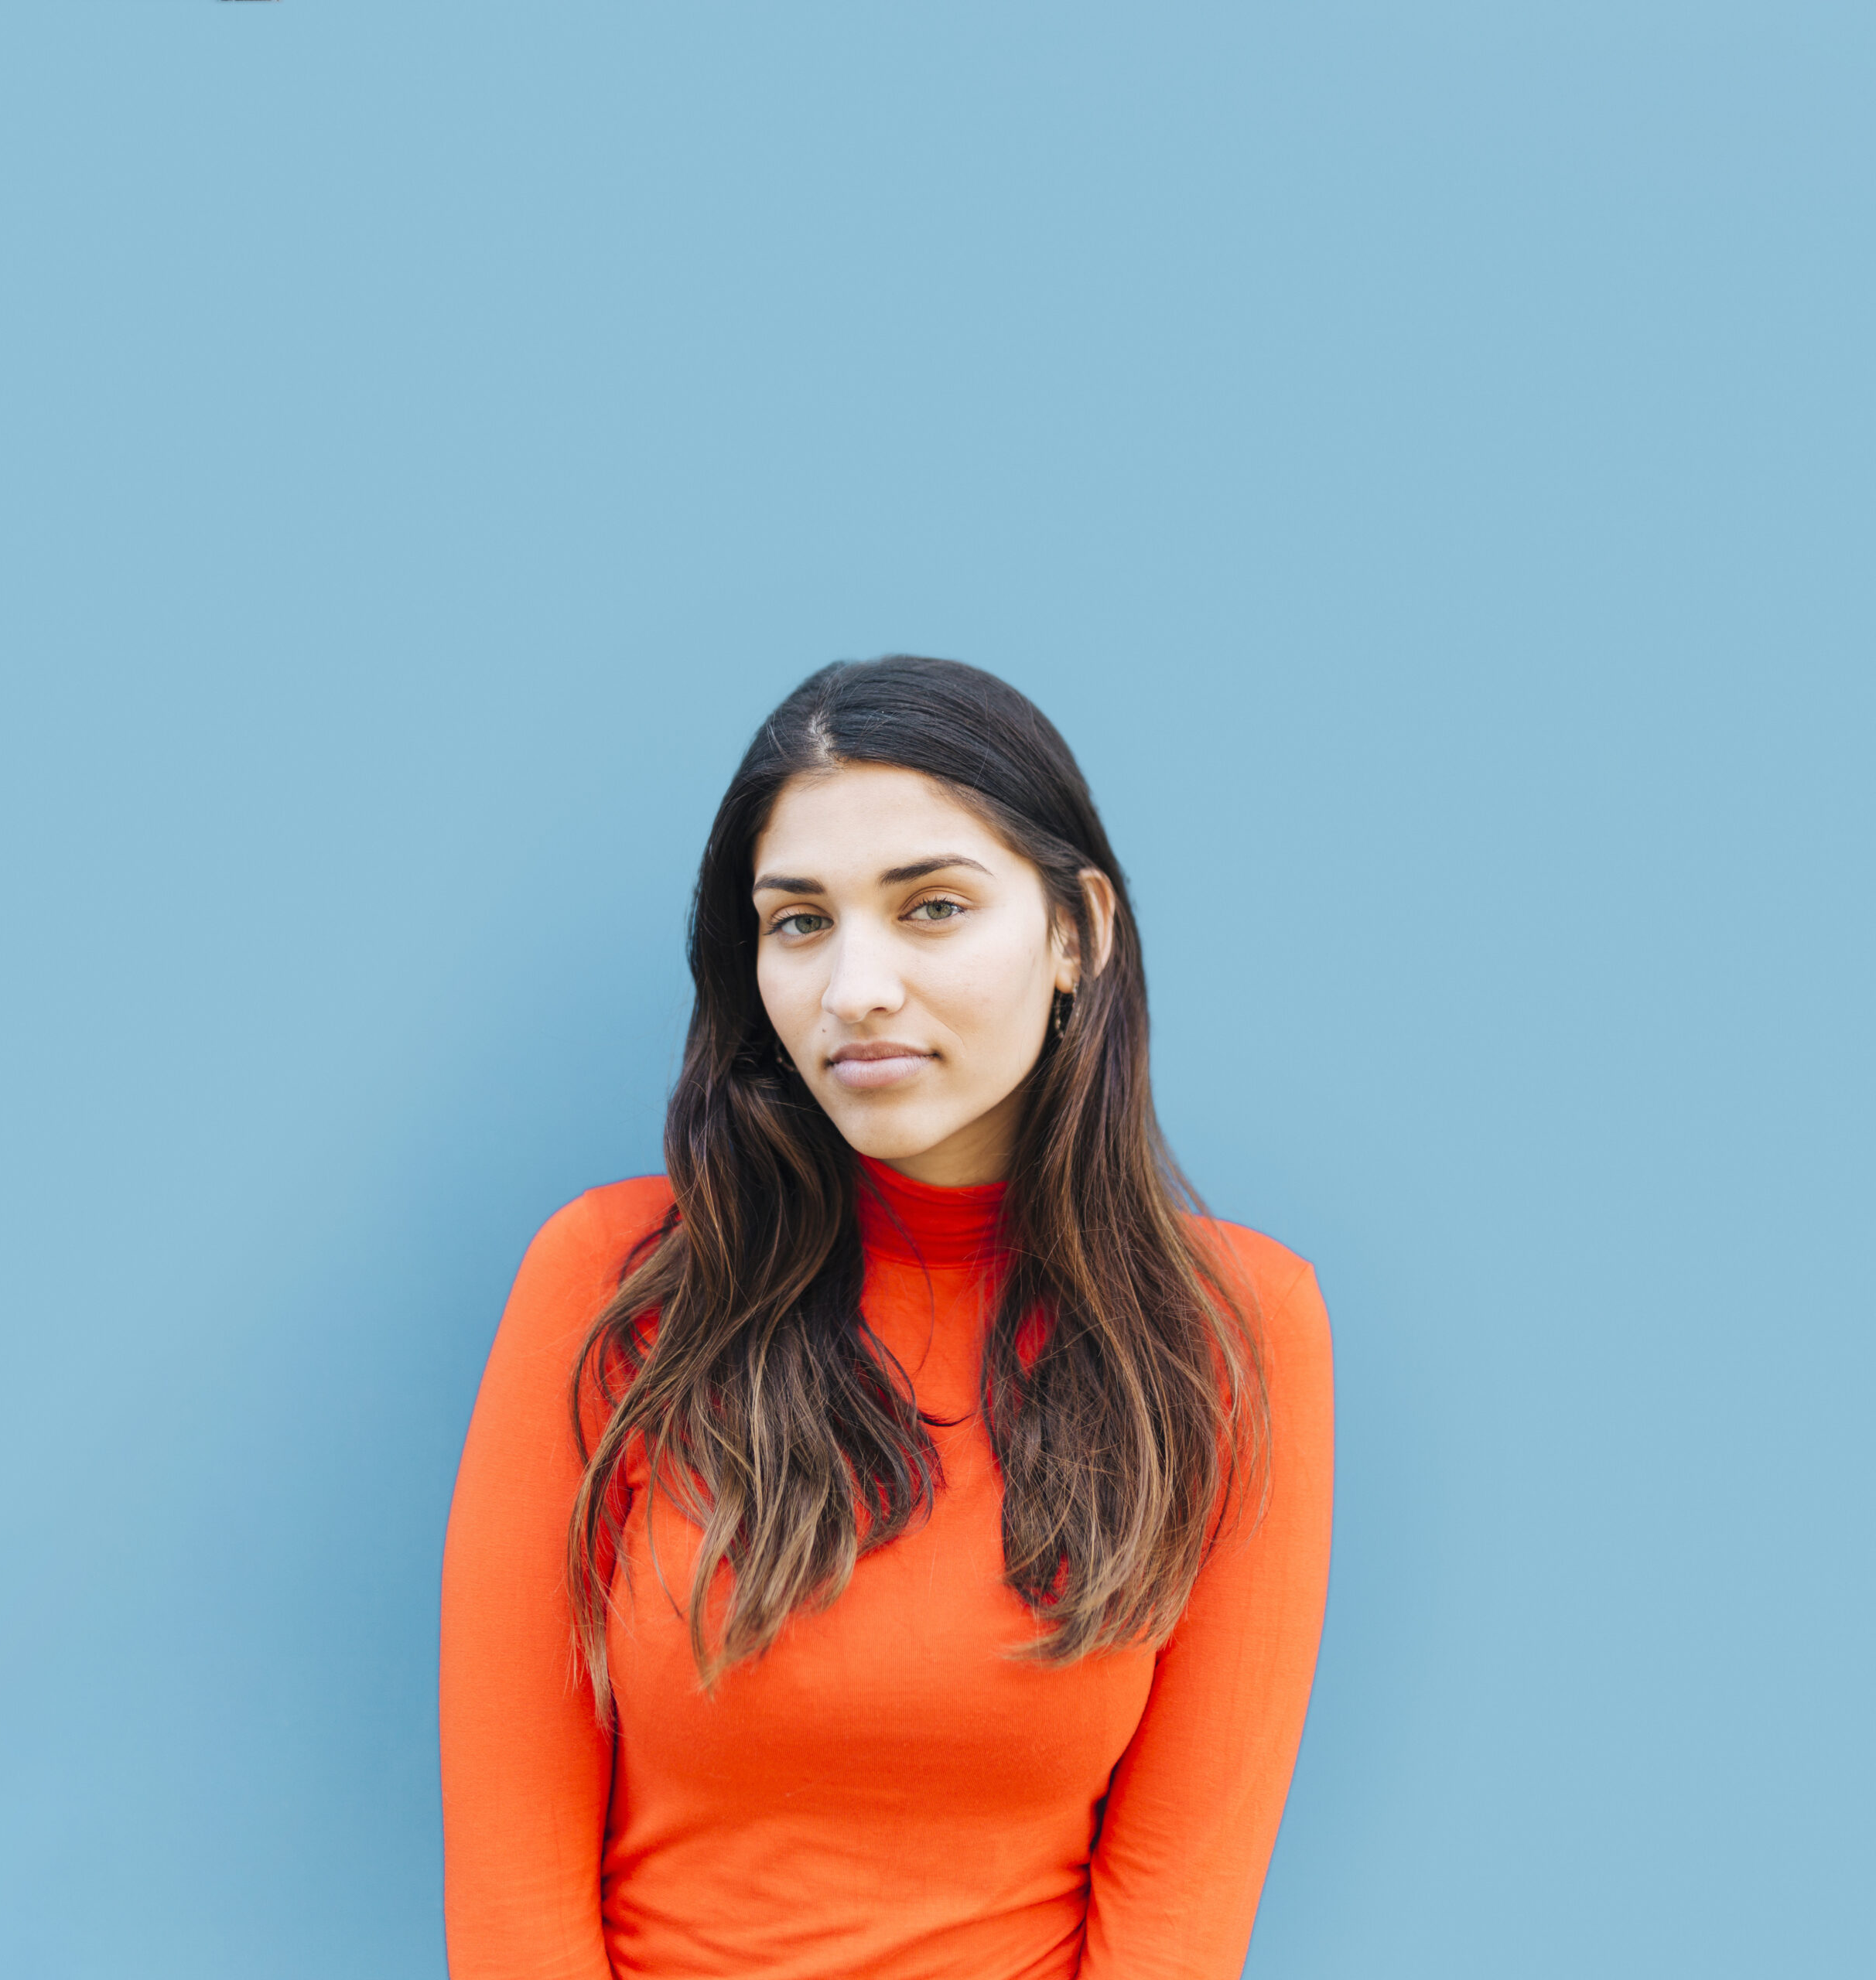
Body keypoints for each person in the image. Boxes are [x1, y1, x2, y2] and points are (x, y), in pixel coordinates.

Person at [439, 655, 1334, 1980]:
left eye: (932, 908)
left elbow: (1179, 1912)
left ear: (1077, 933)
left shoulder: (1237, 1329)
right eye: (800, 922)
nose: (853, 987)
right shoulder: (612, 1283)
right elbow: (512, 1888)